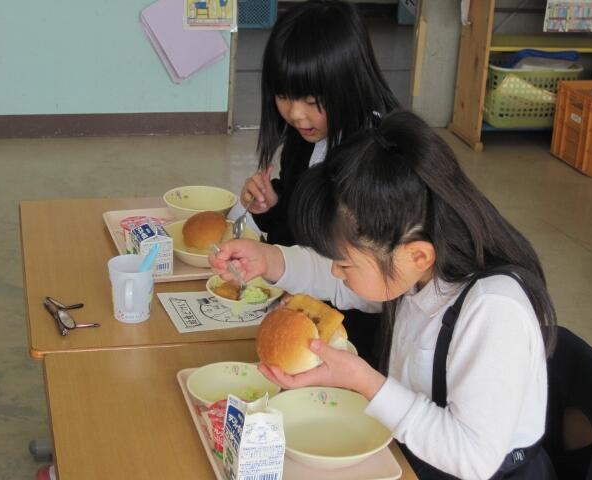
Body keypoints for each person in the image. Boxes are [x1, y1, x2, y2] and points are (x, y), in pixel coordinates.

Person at [211, 110, 558, 480]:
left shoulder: (493, 310)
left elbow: (473, 457)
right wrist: (268, 259)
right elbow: (338, 281)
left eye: (345, 264)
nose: (335, 271)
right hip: (409, 452)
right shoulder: (415, 270)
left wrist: (364, 382)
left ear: (417, 255)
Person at [227, 0, 400, 365]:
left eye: (311, 100)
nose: (295, 114)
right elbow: (302, 234)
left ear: (350, 83)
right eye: (283, 96)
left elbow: (371, 287)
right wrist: (273, 208)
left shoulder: (378, 158)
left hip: (357, 341)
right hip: (303, 316)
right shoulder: (305, 136)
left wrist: (279, 264)